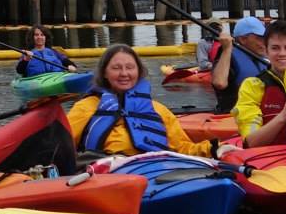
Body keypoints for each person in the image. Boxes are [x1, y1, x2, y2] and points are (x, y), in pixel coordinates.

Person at [69, 45, 208, 157]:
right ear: (104, 73)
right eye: (116, 68)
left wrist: (213, 148)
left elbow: (182, 148)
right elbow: (61, 148)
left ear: (138, 72)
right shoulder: (85, 108)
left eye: (130, 68)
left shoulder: (158, 110)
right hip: (106, 177)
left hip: (155, 172)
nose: (124, 73)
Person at [209, 15, 269, 112]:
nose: (265, 42)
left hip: (258, 112)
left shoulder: (264, 57)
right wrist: (226, 49)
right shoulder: (228, 54)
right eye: (259, 38)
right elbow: (219, 83)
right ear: (243, 39)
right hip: (233, 116)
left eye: (265, 38)